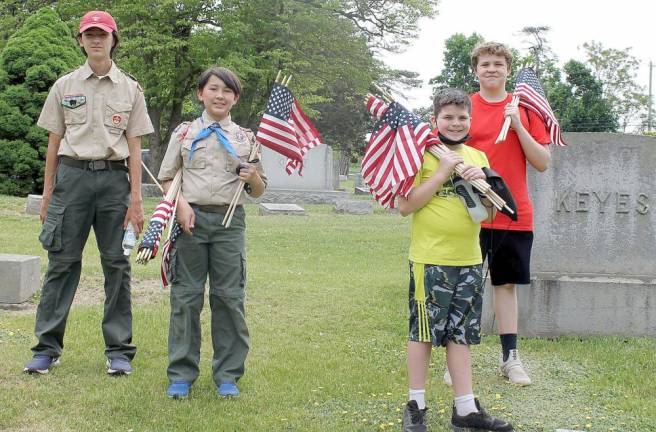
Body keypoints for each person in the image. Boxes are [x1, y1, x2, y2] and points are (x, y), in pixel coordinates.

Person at [24, 11, 154, 376]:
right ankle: (46, 349)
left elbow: (134, 145)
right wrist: (48, 194)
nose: (96, 40)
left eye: (103, 34)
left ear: (114, 39)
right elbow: (53, 142)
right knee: (61, 264)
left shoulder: (130, 89)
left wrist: (136, 200)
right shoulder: (64, 86)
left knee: (117, 265)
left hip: (114, 182)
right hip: (73, 178)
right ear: (80, 41)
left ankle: (118, 351)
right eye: (89, 34)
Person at [398, 88, 513, 432]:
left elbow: (489, 212)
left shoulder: (477, 156)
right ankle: (415, 405)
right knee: (423, 332)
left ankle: (465, 408)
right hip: (430, 259)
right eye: (447, 117)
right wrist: (442, 172)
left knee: (460, 334)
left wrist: (481, 185)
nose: (455, 123)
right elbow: (405, 205)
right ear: (434, 120)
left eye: (462, 117)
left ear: (470, 121)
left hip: (469, 259)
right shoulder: (422, 155)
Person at [157, 67, 267, 399]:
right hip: (190, 220)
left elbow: (259, 190)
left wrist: (252, 178)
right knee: (186, 298)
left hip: (229, 224)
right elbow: (166, 178)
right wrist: (180, 205)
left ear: (235, 98)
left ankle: (228, 375)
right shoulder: (184, 133)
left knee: (229, 298)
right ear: (200, 93)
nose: (220, 96)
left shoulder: (246, 139)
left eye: (227, 91)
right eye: (214, 89)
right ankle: (181, 374)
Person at [466, 41, 551, 386]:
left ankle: (510, 359)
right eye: (485, 64)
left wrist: (518, 125)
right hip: (469, 210)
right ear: (475, 70)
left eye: (498, 63)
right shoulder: (463, 107)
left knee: (505, 286)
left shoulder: (524, 109)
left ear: (507, 69)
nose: (491, 69)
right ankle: (458, 355)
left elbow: (543, 162)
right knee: (466, 285)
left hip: (513, 213)